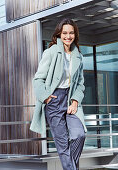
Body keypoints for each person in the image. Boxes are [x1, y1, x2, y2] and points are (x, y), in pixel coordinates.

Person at [30, 18, 87, 170]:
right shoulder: (50, 53)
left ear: (75, 34)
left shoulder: (78, 56)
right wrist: (47, 97)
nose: (68, 36)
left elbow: (80, 83)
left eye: (71, 33)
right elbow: (38, 79)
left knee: (79, 134)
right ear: (59, 34)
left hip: (70, 100)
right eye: (65, 33)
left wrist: (75, 101)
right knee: (62, 146)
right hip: (54, 100)